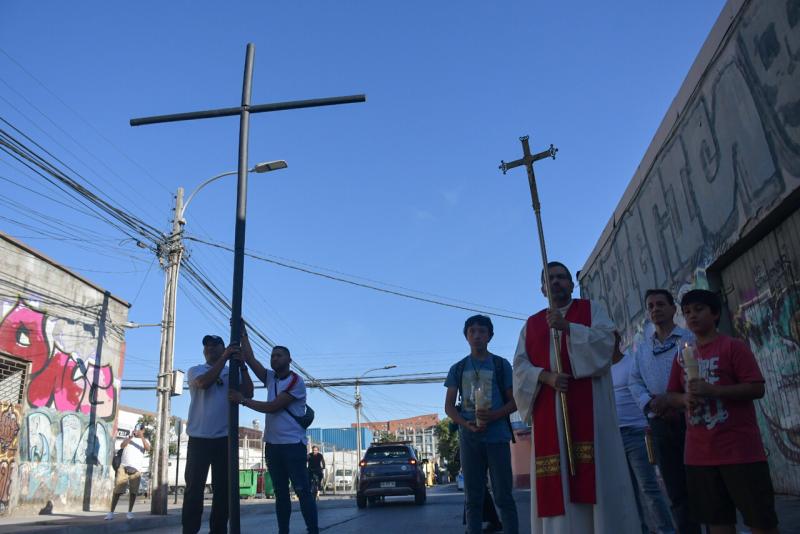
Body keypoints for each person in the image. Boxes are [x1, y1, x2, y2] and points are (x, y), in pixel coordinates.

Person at [513, 261, 638, 534]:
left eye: (561, 277)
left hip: (591, 413)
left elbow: (608, 345)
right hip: (550, 413)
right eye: (550, 279)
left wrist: (569, 327)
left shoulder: (592, 311)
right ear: (543, 288)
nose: (556, 282)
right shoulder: (532, 325)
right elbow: (520, 370)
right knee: (557, 481)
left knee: (595, 476)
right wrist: (546, 377)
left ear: (571, 284)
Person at [665, 289, 778, 534]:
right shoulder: (682, 356)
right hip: (699, 454)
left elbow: (756, 388)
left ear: (715, 313)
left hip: (740, 451)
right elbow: (671, 394)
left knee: (760, 521)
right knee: (717, 523)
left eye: (698, 310)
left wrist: (714, 391)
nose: (692, 316)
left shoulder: (733, 347)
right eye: (687, 312)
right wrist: (685, 399)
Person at [230, 333, 319, 534]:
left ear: (289, 360)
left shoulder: (296, 381)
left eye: (279, 355)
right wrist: (243, 332)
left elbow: (272, 407)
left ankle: (313, 529)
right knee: (280, 494)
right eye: (272, 356)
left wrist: (242, 400)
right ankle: (283, 531)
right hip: (272, 446)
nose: (274, 358)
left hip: (293, 446)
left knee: (303, 491)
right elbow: (251, 359)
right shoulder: (271, 378)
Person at [628, 289, 699, 534]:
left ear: (673, 308)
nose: (655, 309)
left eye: (660, 304)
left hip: (692, 419)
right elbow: (634, 381)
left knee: (703, 485)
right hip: (660, 421)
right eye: (650, 306)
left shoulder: (689, 339)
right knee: (675, 488)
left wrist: (675, 401)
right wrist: (650, 403)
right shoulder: (643, 349)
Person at [445, 314, 519, 534]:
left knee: (503, 495)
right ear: (466, 337)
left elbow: (515, 401)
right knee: (473, 498)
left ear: (490, 336)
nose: (477, 336)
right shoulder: (458, 369)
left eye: (482, 331)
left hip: (497, 438)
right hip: (469, 440)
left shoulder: (500, 364)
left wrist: (494, 415)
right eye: (472, 332)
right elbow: (449, 407)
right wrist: (466, 425)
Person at [182, 334, 254, 534]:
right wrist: (224, 359)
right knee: (193, 491)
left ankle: (218, 531)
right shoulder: (196, 370)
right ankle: (189, 530)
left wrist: (242, 366)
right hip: (199, 440)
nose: (210, 348)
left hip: (224, 441)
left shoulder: (231, 373)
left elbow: (249, 392)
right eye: (207, 345)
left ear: (223, 348)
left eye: (215, 345)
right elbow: (204, 383)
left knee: (223, 492)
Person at [611, 332, 675, 534]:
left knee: (648, 487)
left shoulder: (631, 363)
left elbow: (644, 391)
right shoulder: (602, 371)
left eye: (608, 338)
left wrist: (648, 422)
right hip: (614, 435)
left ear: (617, 340)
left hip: (638, 432)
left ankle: (666, 530)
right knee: (627, 491)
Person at [105, 423, 150, 520]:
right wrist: (130, 437)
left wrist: (141, 437)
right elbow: (122, 445)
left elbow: (148, 448)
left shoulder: (145, 441)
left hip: (136, 470)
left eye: (140, 430)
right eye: (136, 429)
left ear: (143, 431)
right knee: (117, 490)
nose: (137, 431)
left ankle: (129, 512)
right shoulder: (129, 438)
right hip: (124, 467)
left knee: (133, 492)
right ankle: (111, 512)